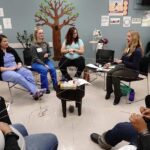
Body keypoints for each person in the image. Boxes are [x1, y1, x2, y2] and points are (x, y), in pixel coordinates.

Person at [0, 34, 45, 100]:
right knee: (18, 76)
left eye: (7, 41)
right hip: (4, 72)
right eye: (4, 41)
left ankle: (34, 93)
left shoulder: (11, 50)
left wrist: (19, 65)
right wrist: (11, 68)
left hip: (16, 68)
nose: (7, 43)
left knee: (28, 72)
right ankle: (36, 91)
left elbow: (19, 60)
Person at [104, 31, 143, 105]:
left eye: (128, 36)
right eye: (127, 36)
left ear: (134, 38)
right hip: (125, 67)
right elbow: (121, 60)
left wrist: (123, 62)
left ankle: (118, 95)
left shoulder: (138, 50)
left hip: (133, 71)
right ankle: (109, 91)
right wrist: (110, 63)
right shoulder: (129, 47)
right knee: (109, 73)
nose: (126, 38)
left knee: (115, 75)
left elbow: (134, 65)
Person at [31, 27, 58, 94]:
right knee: (44, 69)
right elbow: (35, 58)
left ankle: (55, 85)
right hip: (36, 63)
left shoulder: (45, 43)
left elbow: (50, 53)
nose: (42, 34)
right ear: (36, 34)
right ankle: (45, 88)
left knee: (52, 69)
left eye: (42, 33)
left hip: (46, 60)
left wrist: (47, 55)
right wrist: (44, 65)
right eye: (40, 33)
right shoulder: (33, 45)